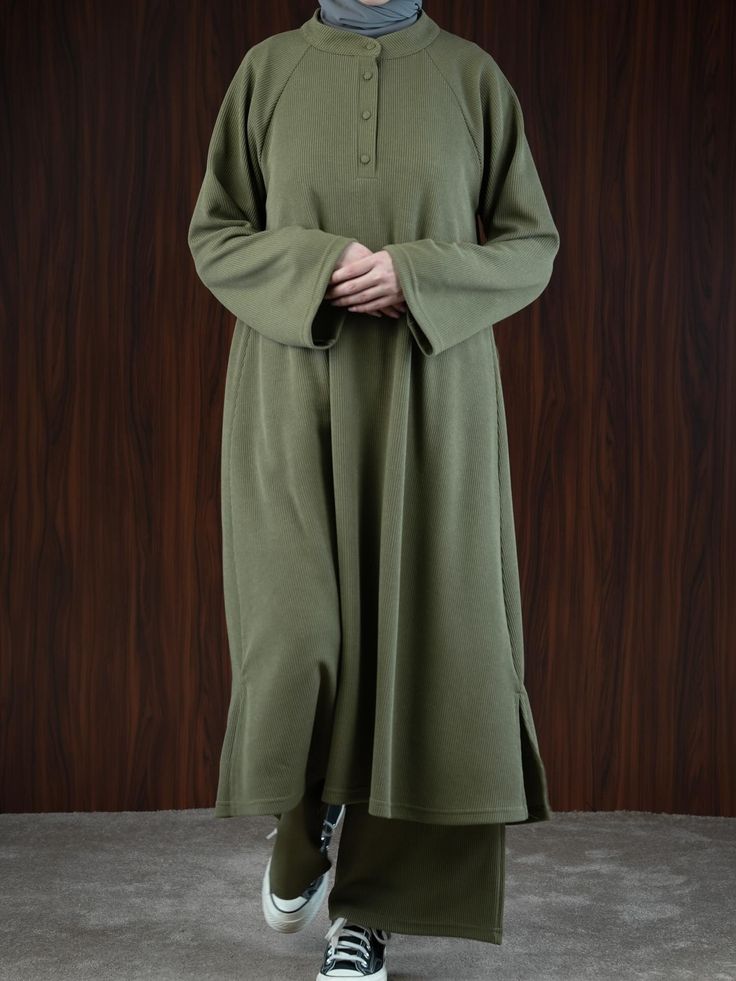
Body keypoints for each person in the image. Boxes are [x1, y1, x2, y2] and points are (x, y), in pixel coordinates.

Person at [187, 0, 560, 977]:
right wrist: (317, 264)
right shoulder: (266, 72)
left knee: (427, 648)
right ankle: (304, 821)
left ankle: (367, 915)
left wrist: (418, 275)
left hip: (433, 399)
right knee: (295, 632)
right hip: (288, 390)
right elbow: (215, 233)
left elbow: (531, 243)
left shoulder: (472, 79)